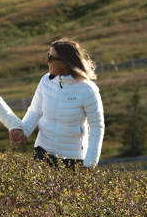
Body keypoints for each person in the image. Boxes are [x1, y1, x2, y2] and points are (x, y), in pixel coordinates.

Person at [10, 38, 106, 167]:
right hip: (42, 154)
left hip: (72, 160)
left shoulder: (88, 90)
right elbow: (35, 111)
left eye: (51, 58)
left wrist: (89, 164)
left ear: (64, 63)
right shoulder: (45, 81)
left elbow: (96, 127)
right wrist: (23, 131)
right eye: (48, 55)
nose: (47, 61)